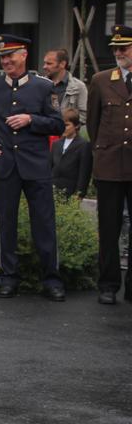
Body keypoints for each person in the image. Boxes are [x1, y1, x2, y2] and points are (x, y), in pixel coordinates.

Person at [0, 34, 65, 301]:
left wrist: (31, 119)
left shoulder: (43, 87)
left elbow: (58, 124)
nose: (6, 61)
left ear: (24, 55)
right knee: (6, 225)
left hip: (36, 166)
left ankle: (51, 279)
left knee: (44, 224)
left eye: (11, 55)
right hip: (4, 166)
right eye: (3, 57)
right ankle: (8, 278)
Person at [86, 24, 132, 304]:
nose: (118, 53)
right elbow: (93, 123)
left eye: (123, 48)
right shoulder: (101, 80)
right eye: (115, 48)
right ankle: (108, 285)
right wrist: (102, 152)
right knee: (109, 228)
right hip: (110, 165)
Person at [50, 108, 92, 199]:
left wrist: (79, 193)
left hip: (71, 191)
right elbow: (50, 167)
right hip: (53, 190)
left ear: (76, 126)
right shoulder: (56, 144)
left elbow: (84, 172)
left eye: (67, 125)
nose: (63, 128)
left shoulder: (84, 145)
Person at [42, 48, 88, 125]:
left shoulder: (79, 87)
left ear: (62, 64)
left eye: (49, 63)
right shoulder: (40, 84)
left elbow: (83, 116)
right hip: (44, 133)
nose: (44, 67)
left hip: (66, 134)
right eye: (44, 63)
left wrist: (66, 126)